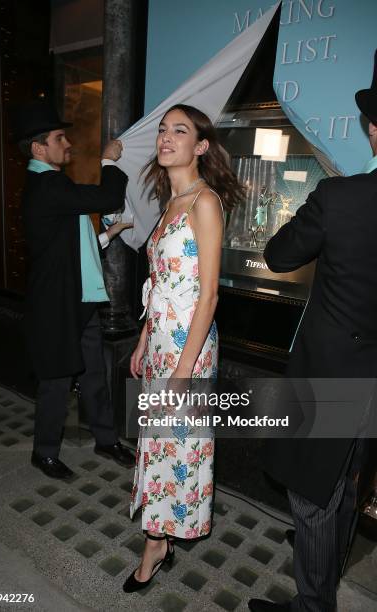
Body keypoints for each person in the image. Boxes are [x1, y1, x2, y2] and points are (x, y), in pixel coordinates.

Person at [248, 51, 377, 612]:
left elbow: (279, 255)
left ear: (374, 129)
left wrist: (308, 208)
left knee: (310, 496)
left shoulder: (342, 198)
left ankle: (312, 604)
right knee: (349, 483)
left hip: (331, 374)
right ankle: (324, 583)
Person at [123, 104, 243, 593]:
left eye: (180, 130)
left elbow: (209, 294)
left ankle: (157, 541)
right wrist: (144, 337)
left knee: (177, 445)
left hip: (188, 349)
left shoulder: (204, 203)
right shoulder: (171, 203)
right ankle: (159, 535)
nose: (166, 137)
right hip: (161, 341)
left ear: (201, 147)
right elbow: (164, 281)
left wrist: (183, 370)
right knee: (157, 442)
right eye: (162, 130)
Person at [14, 99, 135, 480]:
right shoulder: (46, 185)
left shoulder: (50, 186)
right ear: (38, 148)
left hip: (79, 296)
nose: (67, 144)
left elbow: (66, 245)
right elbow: (108, 197)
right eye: (59, 138)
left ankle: (105, 438)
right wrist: (109, 162)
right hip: (56, 303)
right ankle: (44, 452)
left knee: (94, 372)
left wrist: (108, 235)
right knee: (56, 379)